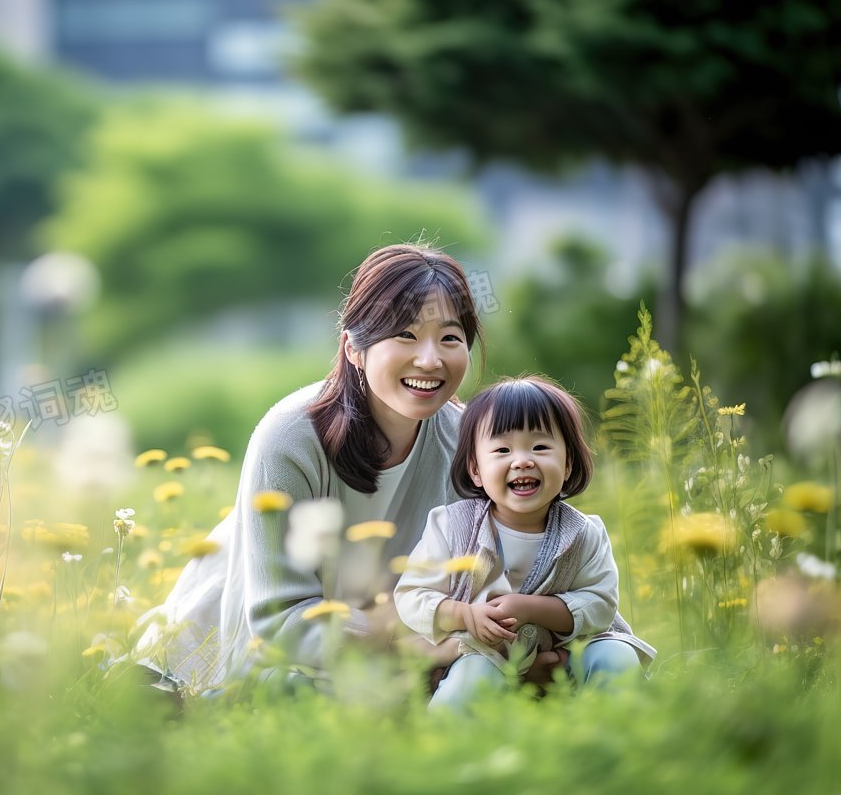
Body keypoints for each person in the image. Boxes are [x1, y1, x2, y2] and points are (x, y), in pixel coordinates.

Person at [133, 242, 497, 694]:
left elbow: (495, 585)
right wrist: (417, 642)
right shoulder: (291, 437)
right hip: (246, 658)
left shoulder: (473, 445)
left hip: (393, 668)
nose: (430, 359)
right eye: (404, 335)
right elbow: (280, 621)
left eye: (450, 338)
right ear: (354, 349)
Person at [394, 375, 656, 710]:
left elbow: (600, 604)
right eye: (502, 450)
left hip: (565, 659)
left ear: (568, 463)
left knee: (616, 655)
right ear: (476, 469)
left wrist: (531, 609)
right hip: (484, 656)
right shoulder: (451, 526)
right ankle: (447, 746)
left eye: (541, 447)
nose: (522, 460)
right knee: (468, 681)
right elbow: (412, 595)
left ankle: (619, 728)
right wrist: (462, 614)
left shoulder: (582, 533)